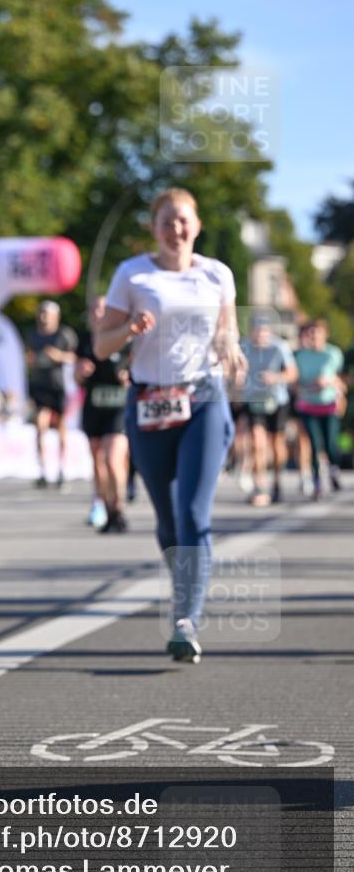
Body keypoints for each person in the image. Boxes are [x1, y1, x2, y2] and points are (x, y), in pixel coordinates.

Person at [94, 188, 246, 664]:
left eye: (183, 220)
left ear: (196, 225)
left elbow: (227, 330)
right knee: (168, 518)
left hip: (203, 397)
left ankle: (186, 618)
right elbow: (101, 346)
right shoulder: (132, 274)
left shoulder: (217, 274)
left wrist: (232, 351)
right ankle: (185, 584)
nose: (175, 228)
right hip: (150, 402)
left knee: (194, 512)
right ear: (154, 227)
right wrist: (130, 329)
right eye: (166, 220)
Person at [76, 296, 131, 532]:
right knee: (98, 462)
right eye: (95, 310)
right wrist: (81, 372)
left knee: (113, 459)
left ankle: (118, 508)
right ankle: (104, 506)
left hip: (118, 408)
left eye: (103, 310)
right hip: (94, 407)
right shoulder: (86, 341)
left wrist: (128, 377)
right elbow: (76, 378)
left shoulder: (123, 339)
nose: (99, 314)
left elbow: (137, 369)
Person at [239, 317, 298, 505]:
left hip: (276, 400)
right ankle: (260, 486)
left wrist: (276, 377)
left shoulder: (280, 347)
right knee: (257, 442)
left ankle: (277, 481)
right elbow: (236, 369)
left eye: (264, 332)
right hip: (254, 400)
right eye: (256, 332)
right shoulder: (244, 346)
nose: (260, 336)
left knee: (276, 443)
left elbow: (292, 373)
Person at [26, 300, 77, 487]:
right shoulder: (33, 335)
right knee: (40, 426)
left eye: (47, 314)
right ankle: (43, 469)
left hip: (60, 387)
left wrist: (59, 356)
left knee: (61, 429)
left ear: (56, 317)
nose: (43, 318)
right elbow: (29, 358)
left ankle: (62, 468)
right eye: (41, 314)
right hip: (41, 387)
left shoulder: (64, 335)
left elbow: (75, 358)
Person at [294, 319, 344, 499]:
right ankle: (316, 481)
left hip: (329, 404)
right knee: (315, 444)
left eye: (317, 332)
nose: (314, 336)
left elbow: (336, 377)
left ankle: (333, 469)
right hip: (308, 405)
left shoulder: (333, 353)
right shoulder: (301, 356)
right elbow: (296, 380)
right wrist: (303, 387)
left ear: (324, 334)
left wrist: (328, 382)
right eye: (311, 333)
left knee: (330, 444)